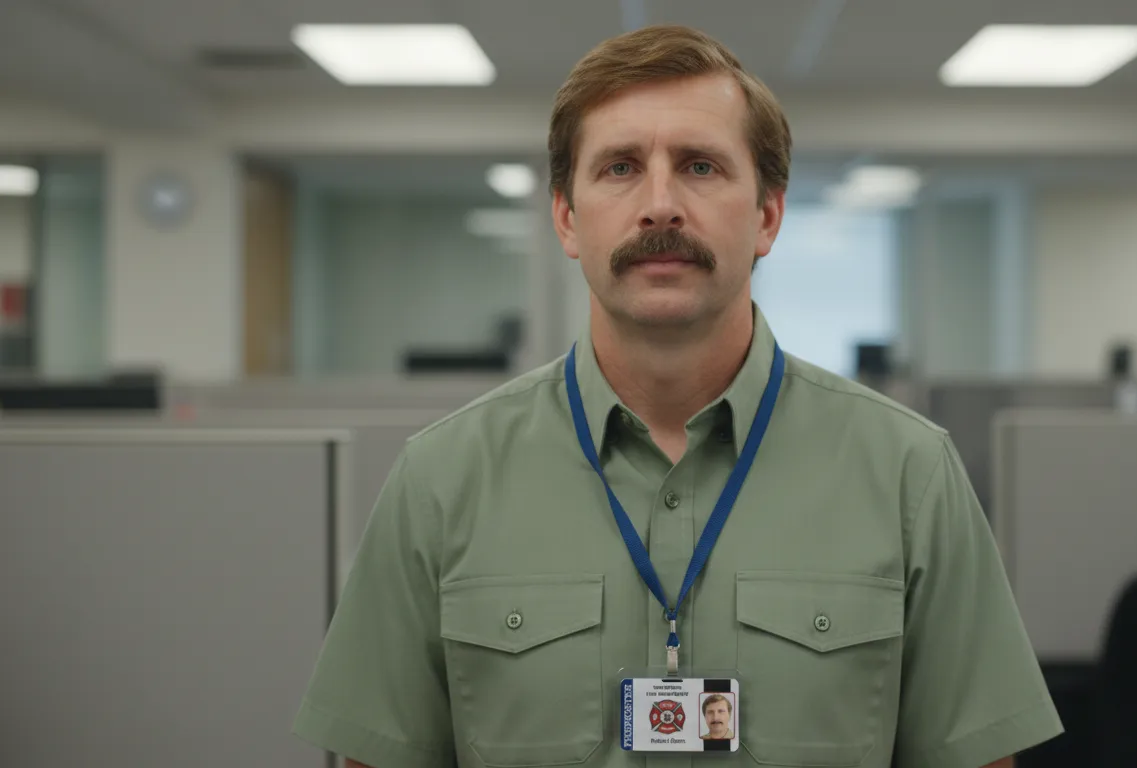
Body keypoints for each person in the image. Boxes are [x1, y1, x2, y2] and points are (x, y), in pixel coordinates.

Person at [292, 23, 1063, 768]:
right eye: (619, 167)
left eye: (700, 166)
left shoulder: (910, 475)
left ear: (767, 216)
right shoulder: (440, 480)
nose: (660, 204)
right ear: (566, 217)